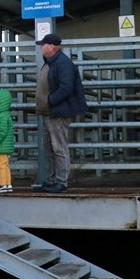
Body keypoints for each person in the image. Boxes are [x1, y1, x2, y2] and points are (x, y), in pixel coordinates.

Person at [34, 33, 89, 193]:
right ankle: (52, 180)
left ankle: (61, 182)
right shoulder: (52, 62)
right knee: (49, 148)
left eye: (43, 44)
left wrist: (49, 101)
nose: (41, 47)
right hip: (49, 113)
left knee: (59, 147)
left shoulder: (62, 63)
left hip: (58, 112)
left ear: (51, 46)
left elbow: (66, 87)